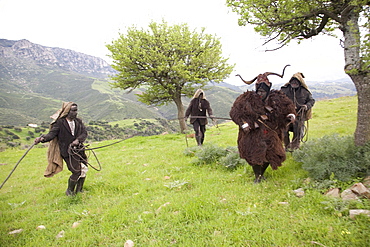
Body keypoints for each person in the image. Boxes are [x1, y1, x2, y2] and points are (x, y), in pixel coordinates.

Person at [230, 72, 296, 183]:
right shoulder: (246, 98)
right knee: (254, 153)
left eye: (263, 91)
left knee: (272, 153)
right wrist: (244, 124)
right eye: (259, 91)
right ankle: (257, 176)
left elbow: (287, 109)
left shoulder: (277, 98)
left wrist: (291, 115)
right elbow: (235, 113)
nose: (260, 93)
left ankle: (262, 173)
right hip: (253, 133)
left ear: (268, 90)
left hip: (270, 132)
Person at [34, 102, 88, 196]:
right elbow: (52, 134)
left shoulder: (78, 121)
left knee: (84, 169)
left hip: (79, 150)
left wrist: (78, 140)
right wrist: (42, 139)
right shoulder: (60, 123)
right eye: (73, 111)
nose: (75, 113)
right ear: (67, 111)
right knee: (76, 171)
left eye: (76, 110)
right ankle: (69, 191)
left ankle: (79, 190)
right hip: (68, 152)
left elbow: (84, 133)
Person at [281, 72, 315, 151]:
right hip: (286, 116)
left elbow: (311, 100)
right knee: (284, 132)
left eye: (296, 81)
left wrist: (306, 106)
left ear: (300, 82)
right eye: (293, 81)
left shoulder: (305, 92)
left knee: (298, 133)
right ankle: (287, 147)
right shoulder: (284, 90)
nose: (294, 83)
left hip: (299, 116)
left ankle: (295, 149)